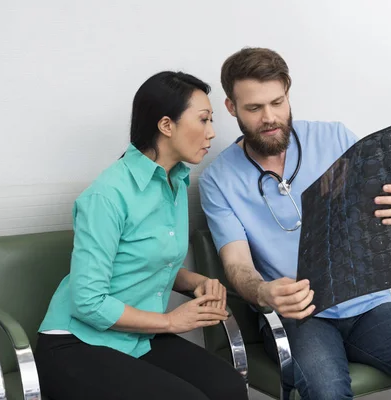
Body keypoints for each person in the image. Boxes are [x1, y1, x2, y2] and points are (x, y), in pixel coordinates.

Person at [198, 48, 391, 400]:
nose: (270, 117)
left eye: (277, 102)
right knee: (326, 391)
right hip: (300, 314)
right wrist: (263, 291)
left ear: (288, 93)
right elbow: (236, 264)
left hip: (367, 302)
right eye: (254, 108)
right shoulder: (219, 179)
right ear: (231, 108)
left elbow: (384, 205)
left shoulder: (335, 139)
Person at [35, 71, 248, 400]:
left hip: (136, 337)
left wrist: (195, 283)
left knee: (229, 388)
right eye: (203, 120)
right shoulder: (107, 196)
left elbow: (146, 261)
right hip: (75, 343)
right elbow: (88, 302)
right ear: (166, 126)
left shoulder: (175, 181)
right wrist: (171, 321)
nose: (212, 133)